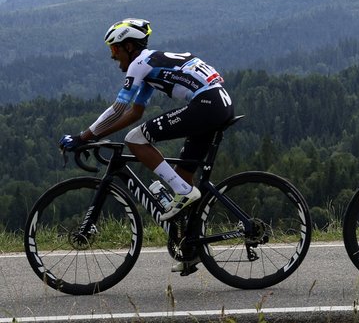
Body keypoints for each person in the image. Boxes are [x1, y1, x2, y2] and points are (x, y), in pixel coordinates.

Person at [59, 19, 235, 231]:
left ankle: (184, 192)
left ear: (129, 47)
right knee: (182, 174)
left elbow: (117, 109)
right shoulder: (152, 64)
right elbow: (135, 113)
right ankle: (191, 246)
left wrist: (82, 137)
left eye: (115, 48)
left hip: (207, 104)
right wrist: (96, 135)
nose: (112, 55)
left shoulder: (139, 64)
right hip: (218, 103)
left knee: (135, 139)